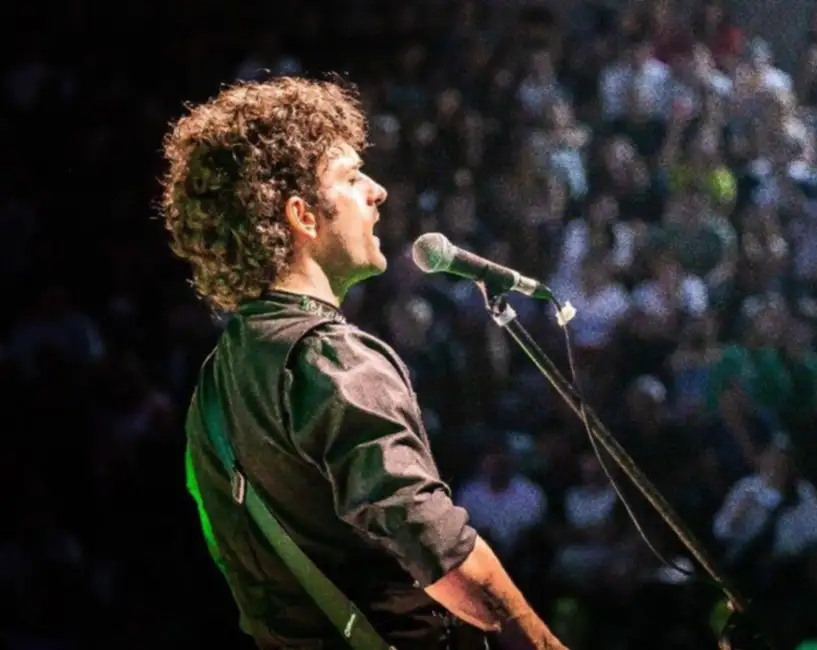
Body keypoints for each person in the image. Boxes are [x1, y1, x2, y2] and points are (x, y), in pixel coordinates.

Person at [160, 77, 566, 650]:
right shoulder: (330, 358)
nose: (377, 192)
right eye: (351, 178)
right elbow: (440, 552)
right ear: (303, 216)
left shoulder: (215, 382)